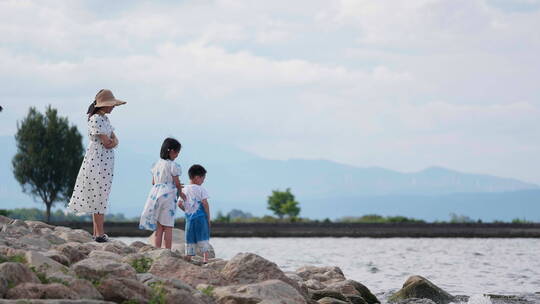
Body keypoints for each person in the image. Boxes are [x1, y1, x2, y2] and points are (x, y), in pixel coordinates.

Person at [68, 89, 126, 243]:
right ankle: (99, 234)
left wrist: (112, 141)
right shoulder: (96, 119)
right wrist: (112, 141)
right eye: (111, 104)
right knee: (98, 194)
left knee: (101, 194)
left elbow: (114, 140)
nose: (113, 107)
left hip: (105, 161)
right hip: (97, 161)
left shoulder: (105, 120)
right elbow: (108, 142)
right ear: (103, 105)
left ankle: (97, 233)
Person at [139, 138, 186, 249]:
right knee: (168, 226)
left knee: (159, 226)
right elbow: (177, 182)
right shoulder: (173, 165)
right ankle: (167, 250)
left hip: (155, 194)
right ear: (170, 151)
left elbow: (153, 182)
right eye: (176, 152)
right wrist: (181, 193)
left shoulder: (156, 164)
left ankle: (157, 249)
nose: (177, 155)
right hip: (168, 195)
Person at [178, 164, 211, 263]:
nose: (203, 181)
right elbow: (205, 203)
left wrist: (187, 210)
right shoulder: (201, 189)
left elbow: (179, 204)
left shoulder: (184, 189)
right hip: (201, 218)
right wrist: (208, 218)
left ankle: (189, 256)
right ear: (197, 177)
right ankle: (205, 258)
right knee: (203, 236)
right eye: (203, 178)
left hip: (190, 220)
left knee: (190, 237)